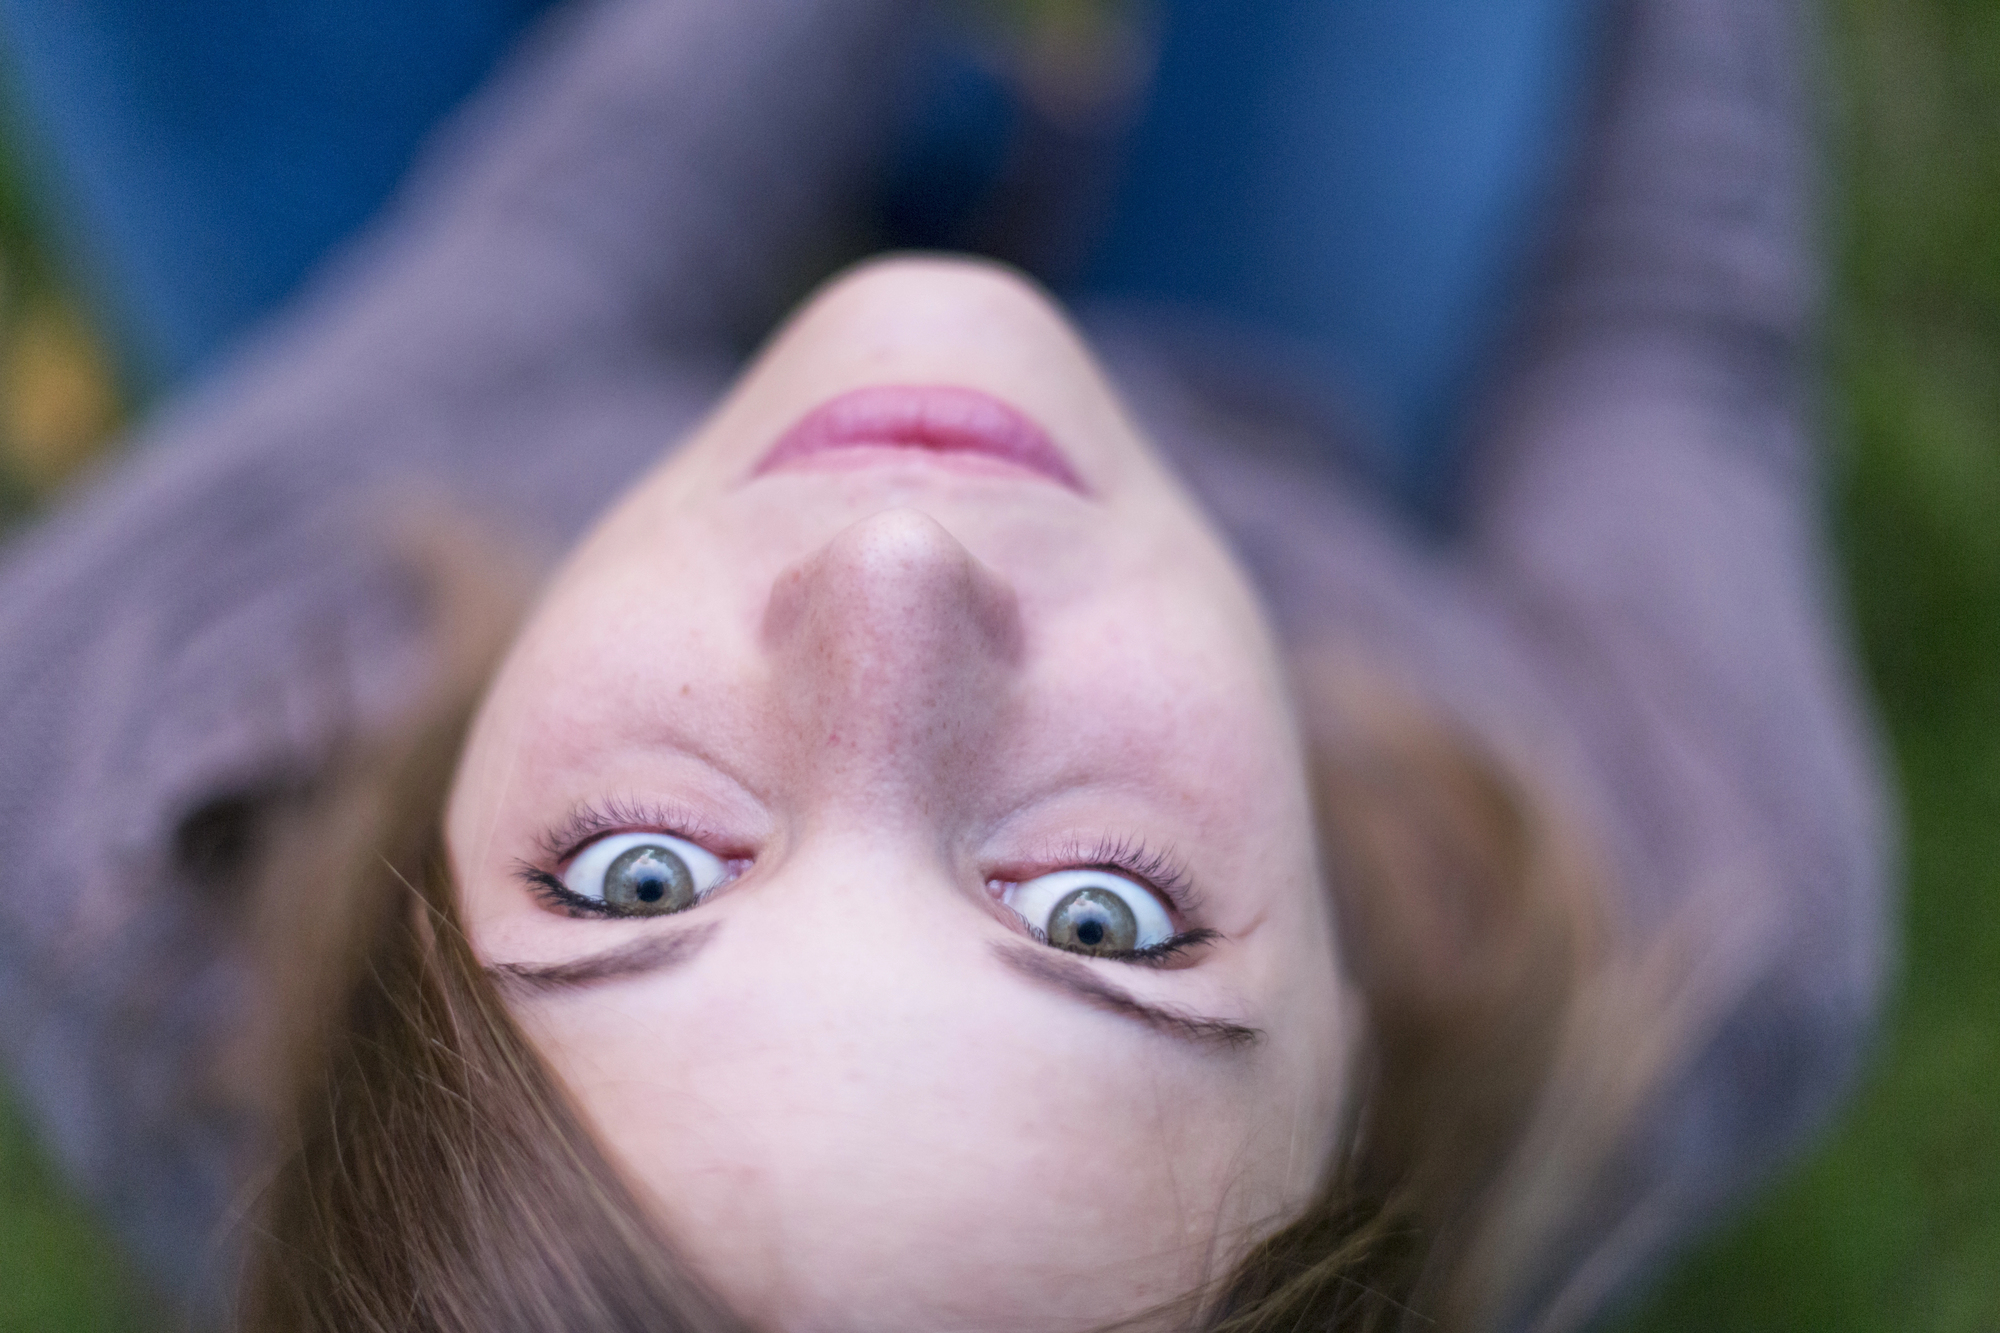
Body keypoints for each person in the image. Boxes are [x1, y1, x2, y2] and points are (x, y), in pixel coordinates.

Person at [0, 0, 1888, 1330]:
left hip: (491, 381)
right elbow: (1662, 328)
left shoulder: (140, 749)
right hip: (1250, 387)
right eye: (1098, 916)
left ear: (399, 894)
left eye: (637, 875)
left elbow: (581, 221)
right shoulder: (1688, 906)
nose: (895, 568)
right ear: (1359, 1086)